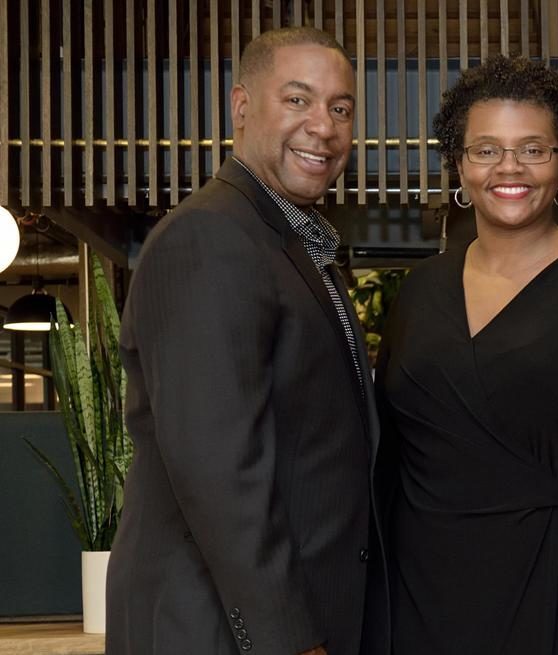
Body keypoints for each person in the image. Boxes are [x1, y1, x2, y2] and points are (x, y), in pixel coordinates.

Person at [375, 55, 558, 655]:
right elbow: (390, 459)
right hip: (414, 597)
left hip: (548, 590)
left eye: (532, 149)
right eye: (486, 150)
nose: (508, 167)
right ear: (460, 165)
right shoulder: (420, 290)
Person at [107, 27, 388, 655]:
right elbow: (220, 472)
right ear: (241, 106)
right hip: (221, 631)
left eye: (341, 108)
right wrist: (290, 640)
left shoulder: (292, 244)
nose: (323, 126)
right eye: (297, 100)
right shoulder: (209, 238)